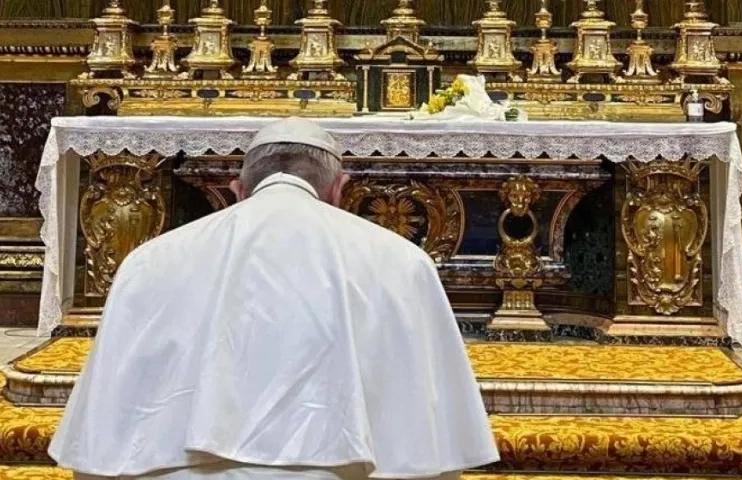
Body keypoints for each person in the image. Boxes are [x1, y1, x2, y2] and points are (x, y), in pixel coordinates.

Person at [49, 118, 500, 479]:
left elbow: (102, 435)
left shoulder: (152, 259)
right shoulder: (401, 260)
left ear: (237, 189)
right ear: (340, 190)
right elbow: (437, 440)